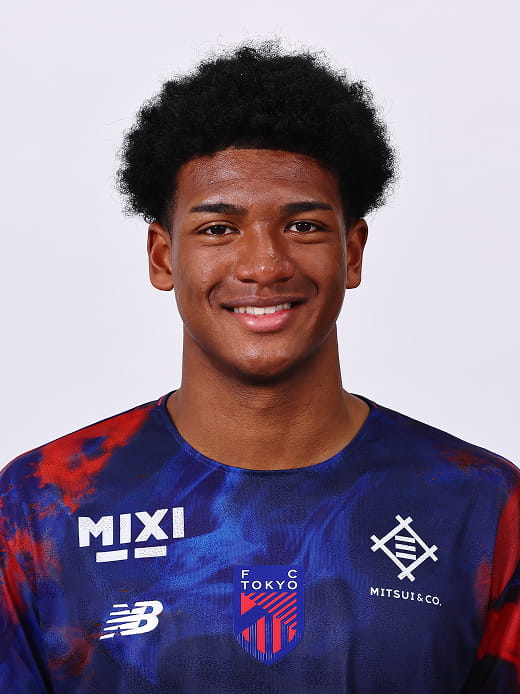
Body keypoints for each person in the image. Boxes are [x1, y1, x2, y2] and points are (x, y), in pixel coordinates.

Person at [1, 42, 518, 694]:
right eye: (219, 229)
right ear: (162, 256)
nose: (265, 265)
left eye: (303, 226)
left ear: (352, 252)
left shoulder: (480, 504)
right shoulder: (44, 505)